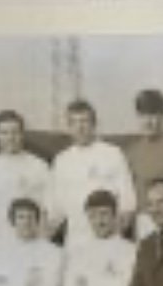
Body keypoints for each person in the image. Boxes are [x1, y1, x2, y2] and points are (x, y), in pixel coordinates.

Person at [50, 100, 136, 250]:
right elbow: (55, 209)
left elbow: (127, 203)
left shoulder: (113, 153)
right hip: (76, 241)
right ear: (69, 127)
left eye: (84, 121)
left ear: (94, 124)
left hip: (109, 239)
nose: (80, 127)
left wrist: (114, 238)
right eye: (74, 122)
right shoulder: (62, 160)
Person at [0, 110, 52, 248]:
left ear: (22, 134)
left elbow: (51, 208)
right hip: (4, 242)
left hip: (37, 241)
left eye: (15, 132)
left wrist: (42, 237)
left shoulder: (40, 166)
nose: (10, 138)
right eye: (4, 133)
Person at [123, 89, 163, 238]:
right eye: (143, 116)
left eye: (154, 115)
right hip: (145, 221)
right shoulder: (131, 152)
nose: (149, 121)